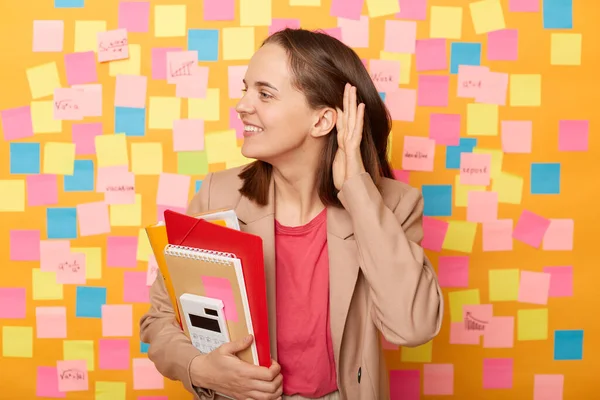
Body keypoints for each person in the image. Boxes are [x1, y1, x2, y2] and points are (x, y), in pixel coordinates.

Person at [140, 28, 443, 400]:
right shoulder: (217, 196)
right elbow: (159, 321)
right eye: (245, 89)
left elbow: (412, 327)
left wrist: (358, 192)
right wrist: (201, 369)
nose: (242, 105)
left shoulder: (393, 205)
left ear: (322, 121)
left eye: (264, 94)